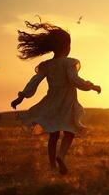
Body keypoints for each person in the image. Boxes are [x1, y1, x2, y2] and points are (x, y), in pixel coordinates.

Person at [11, 20, 101, 175]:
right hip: (67, 101)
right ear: (67, 46)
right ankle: (61, 156)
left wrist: (22, 96)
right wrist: (91, 86)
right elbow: (74, 80)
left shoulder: (47, 65)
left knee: (53, 134)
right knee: (70, 130)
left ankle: (52, 165)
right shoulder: (69, 63)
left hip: (52, 101)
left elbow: (35, 81)